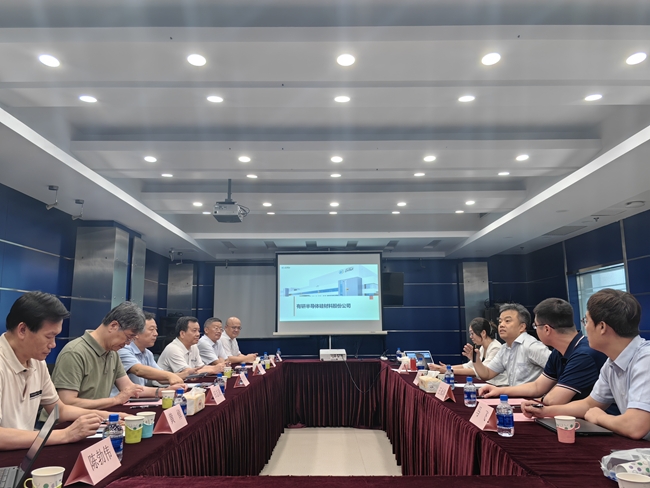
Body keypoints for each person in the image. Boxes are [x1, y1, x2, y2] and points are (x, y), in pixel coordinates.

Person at [522, 289, 650, 440]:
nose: (585, 328)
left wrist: (599, 417)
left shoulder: (645, 360)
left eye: (586, 321)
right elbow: (589, 404)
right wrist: (544, 412)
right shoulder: (611, 363)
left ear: (602, 327)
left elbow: (635, 427)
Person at [0, 292, 117, 451]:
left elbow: (59, 410)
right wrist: (65, 435)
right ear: (22, 330)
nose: (53, 344)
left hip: (24, 453)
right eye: (49, 336)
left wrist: (107, 417)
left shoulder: (37, 362)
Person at [52, 302, 180, 409]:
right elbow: (67, 403)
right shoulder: (75, 352)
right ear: (113, 326)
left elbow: (129, 388)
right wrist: (114, 400)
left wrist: (162, 392)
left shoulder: (113, 353)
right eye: (128, 337)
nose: (128, 343)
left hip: (96, 417)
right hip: (68, 424)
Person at [480, 298, 608, 405]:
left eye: (535, 326)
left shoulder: (583, 354)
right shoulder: (558, 352)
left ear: (547, 329)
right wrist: (500, 391)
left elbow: (554, 400)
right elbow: (537, 387)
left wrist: (539, 401)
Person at [468, 303, 551, 386]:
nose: (501, 325)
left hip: (532, 394)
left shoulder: (532, 346)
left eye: (507, 321)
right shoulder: (505, 348)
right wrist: (476, 360)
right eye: (500, 321)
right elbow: (487, 374)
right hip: (514, 393)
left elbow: (557, 369)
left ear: (522, 327)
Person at [110, 312, 184, 396]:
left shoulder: (148, 353)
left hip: (138, 396)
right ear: (136, 333)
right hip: (120, 400)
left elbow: (161, 378)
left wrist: (182, 377)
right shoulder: (123, 349)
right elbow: (138, 370)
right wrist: (170, 376)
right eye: (151, 329)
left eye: (156, 329)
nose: (156, 334)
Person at [429, 317, 507, 386]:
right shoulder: (482, 348)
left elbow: (479, 371)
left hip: (499, 386)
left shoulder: (495, 348)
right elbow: (468, 365)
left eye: (472, 333)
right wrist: (447, 368)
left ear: (483, 333)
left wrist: (448, 370)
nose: (470, 337)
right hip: (488, 384)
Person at [157, 316, 224, 376]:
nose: (198, 334)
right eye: (194, 331)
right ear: (182, 334)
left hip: (184, 383)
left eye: (198, 331)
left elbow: (200, 367)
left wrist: (218, 367)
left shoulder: (193, 346)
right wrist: (214, 369)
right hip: (167, 385)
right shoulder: (173, 349)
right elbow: (188, 373)